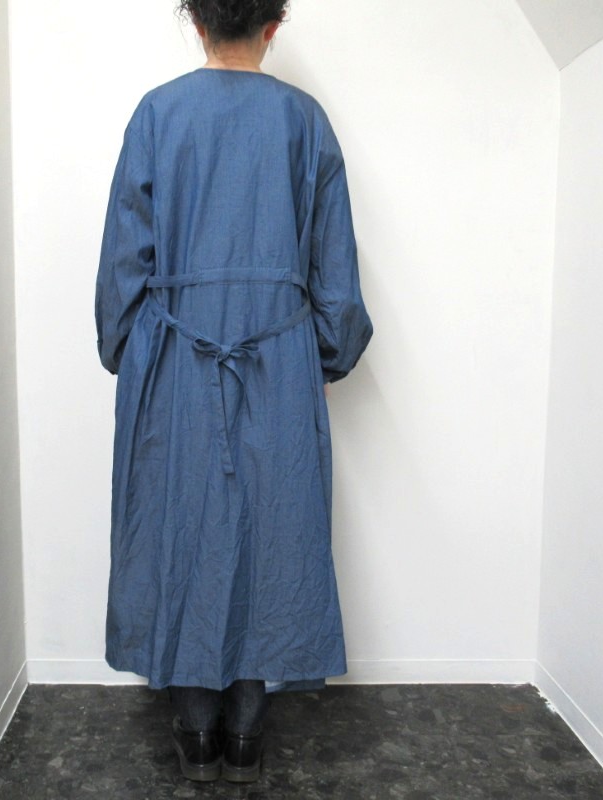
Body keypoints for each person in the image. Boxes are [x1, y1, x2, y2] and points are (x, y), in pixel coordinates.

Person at [94, 0, 373, 784]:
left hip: (176, 358)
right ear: (272, 27)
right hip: (277, 356)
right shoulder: (305, 123)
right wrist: (323, 356)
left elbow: (124, 260)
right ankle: (247, 734)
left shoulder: (157, 115)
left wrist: (127, 352)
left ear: (196, 22)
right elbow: (335, 272)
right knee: (269, 533)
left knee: (182, 529)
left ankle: (195, 731)